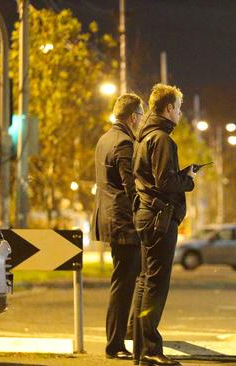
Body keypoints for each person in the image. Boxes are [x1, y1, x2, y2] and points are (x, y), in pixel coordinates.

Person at [132, 84, 194, 366]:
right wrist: (188, 180)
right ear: (168, 108)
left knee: (146, 281)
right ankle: (151, 350)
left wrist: (178, 175)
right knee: (156, 284)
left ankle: (141, 350)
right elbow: (166, 183)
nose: (180, 113)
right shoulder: (163, 140)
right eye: (179, 107)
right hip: (159, 219)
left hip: (147, 215)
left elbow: (155, 178)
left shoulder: (144, 138)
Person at [92, 93, 144, 360]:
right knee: (123, 284)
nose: (141, 121)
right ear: (133, 116)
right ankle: (115, 345)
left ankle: (127, 335)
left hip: (109, 218)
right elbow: (131, 186)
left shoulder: (104, 139)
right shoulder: (124, 142)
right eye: (140, 116)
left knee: (123, 281)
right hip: (123, 223)